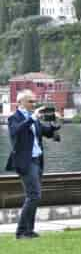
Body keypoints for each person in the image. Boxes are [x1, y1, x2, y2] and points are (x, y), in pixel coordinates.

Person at [5, 90, 61, 239]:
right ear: (20, 103)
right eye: (30, 101)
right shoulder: (13, 118)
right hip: (25, 162)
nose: (33, 104)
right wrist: (33, 118)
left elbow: (46, 131)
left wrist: (55, 123)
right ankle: (21, 231)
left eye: (34, 101)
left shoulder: (34, 119)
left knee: (34, 196)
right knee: (33, 195)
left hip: (37, 160)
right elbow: (16, 131)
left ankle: (29, 231)